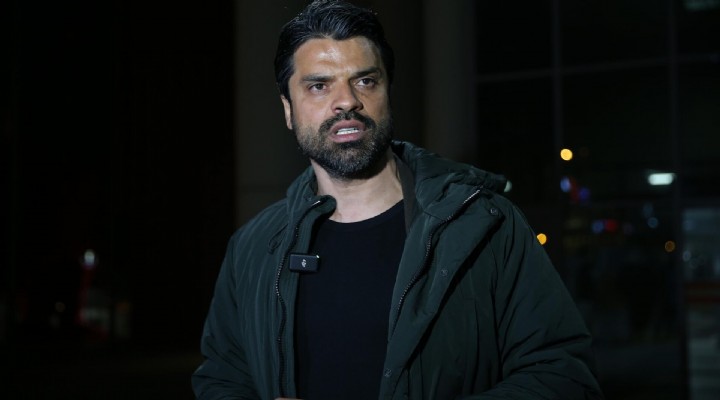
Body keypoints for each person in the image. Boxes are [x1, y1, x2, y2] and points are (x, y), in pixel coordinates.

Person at [192, 1, 604, 399]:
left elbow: (562, 376)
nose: (347, 101)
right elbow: (222, 378)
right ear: (288, 109)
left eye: (365, 81)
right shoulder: (253, 247)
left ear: (388, 91)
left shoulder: (485, 225)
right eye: (319, 86)